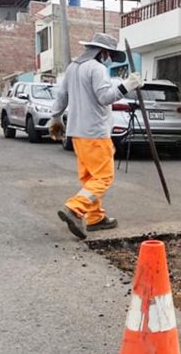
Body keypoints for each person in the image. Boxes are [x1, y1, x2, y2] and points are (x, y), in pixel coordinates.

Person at [48, 32, 143, 240]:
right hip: (95, 132)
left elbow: (62, 96)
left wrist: (55, 118)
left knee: (90, 177)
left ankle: (95, 218)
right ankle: (75, 207)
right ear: (104, 53)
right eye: (109, 55)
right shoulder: (97, 68)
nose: (109, 60)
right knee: (103, 177)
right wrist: (127, 85)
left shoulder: (73, 68)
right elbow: (105, 97)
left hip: (76, 133)